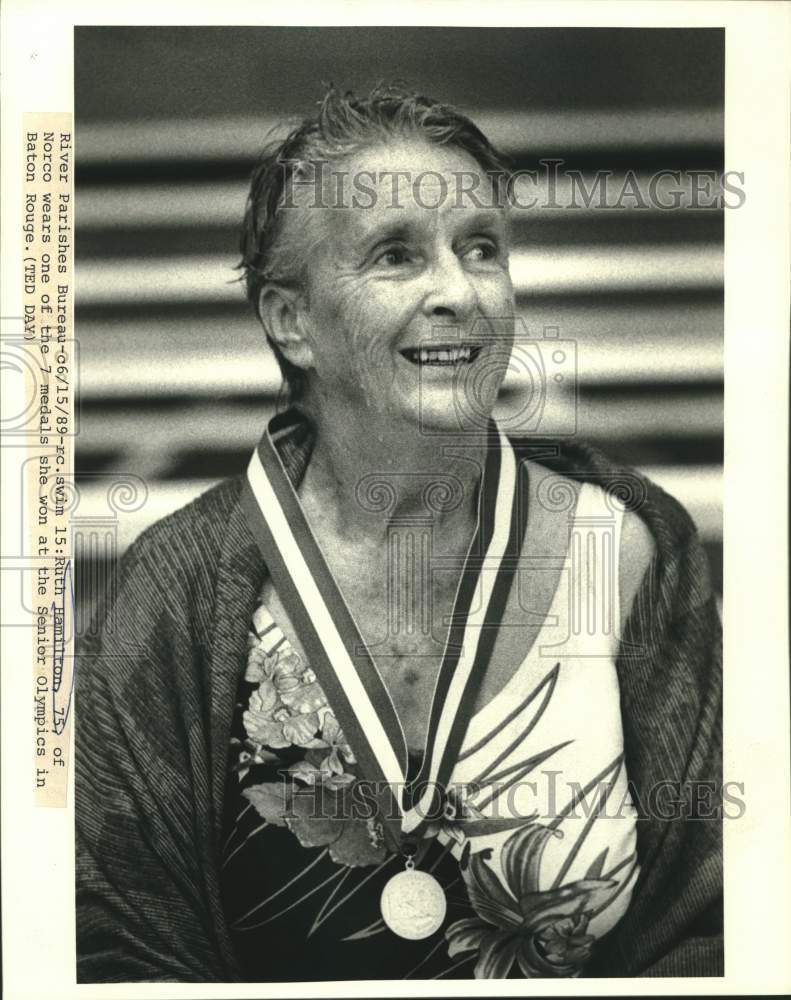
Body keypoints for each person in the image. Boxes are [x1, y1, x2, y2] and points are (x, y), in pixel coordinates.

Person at [76, 84, 723, 982]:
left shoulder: (631, 550)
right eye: (395, 256)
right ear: (290, 321)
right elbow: (116, 940)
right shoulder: (173, 590)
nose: (458, 291)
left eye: (480, 250)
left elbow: (713, 924)